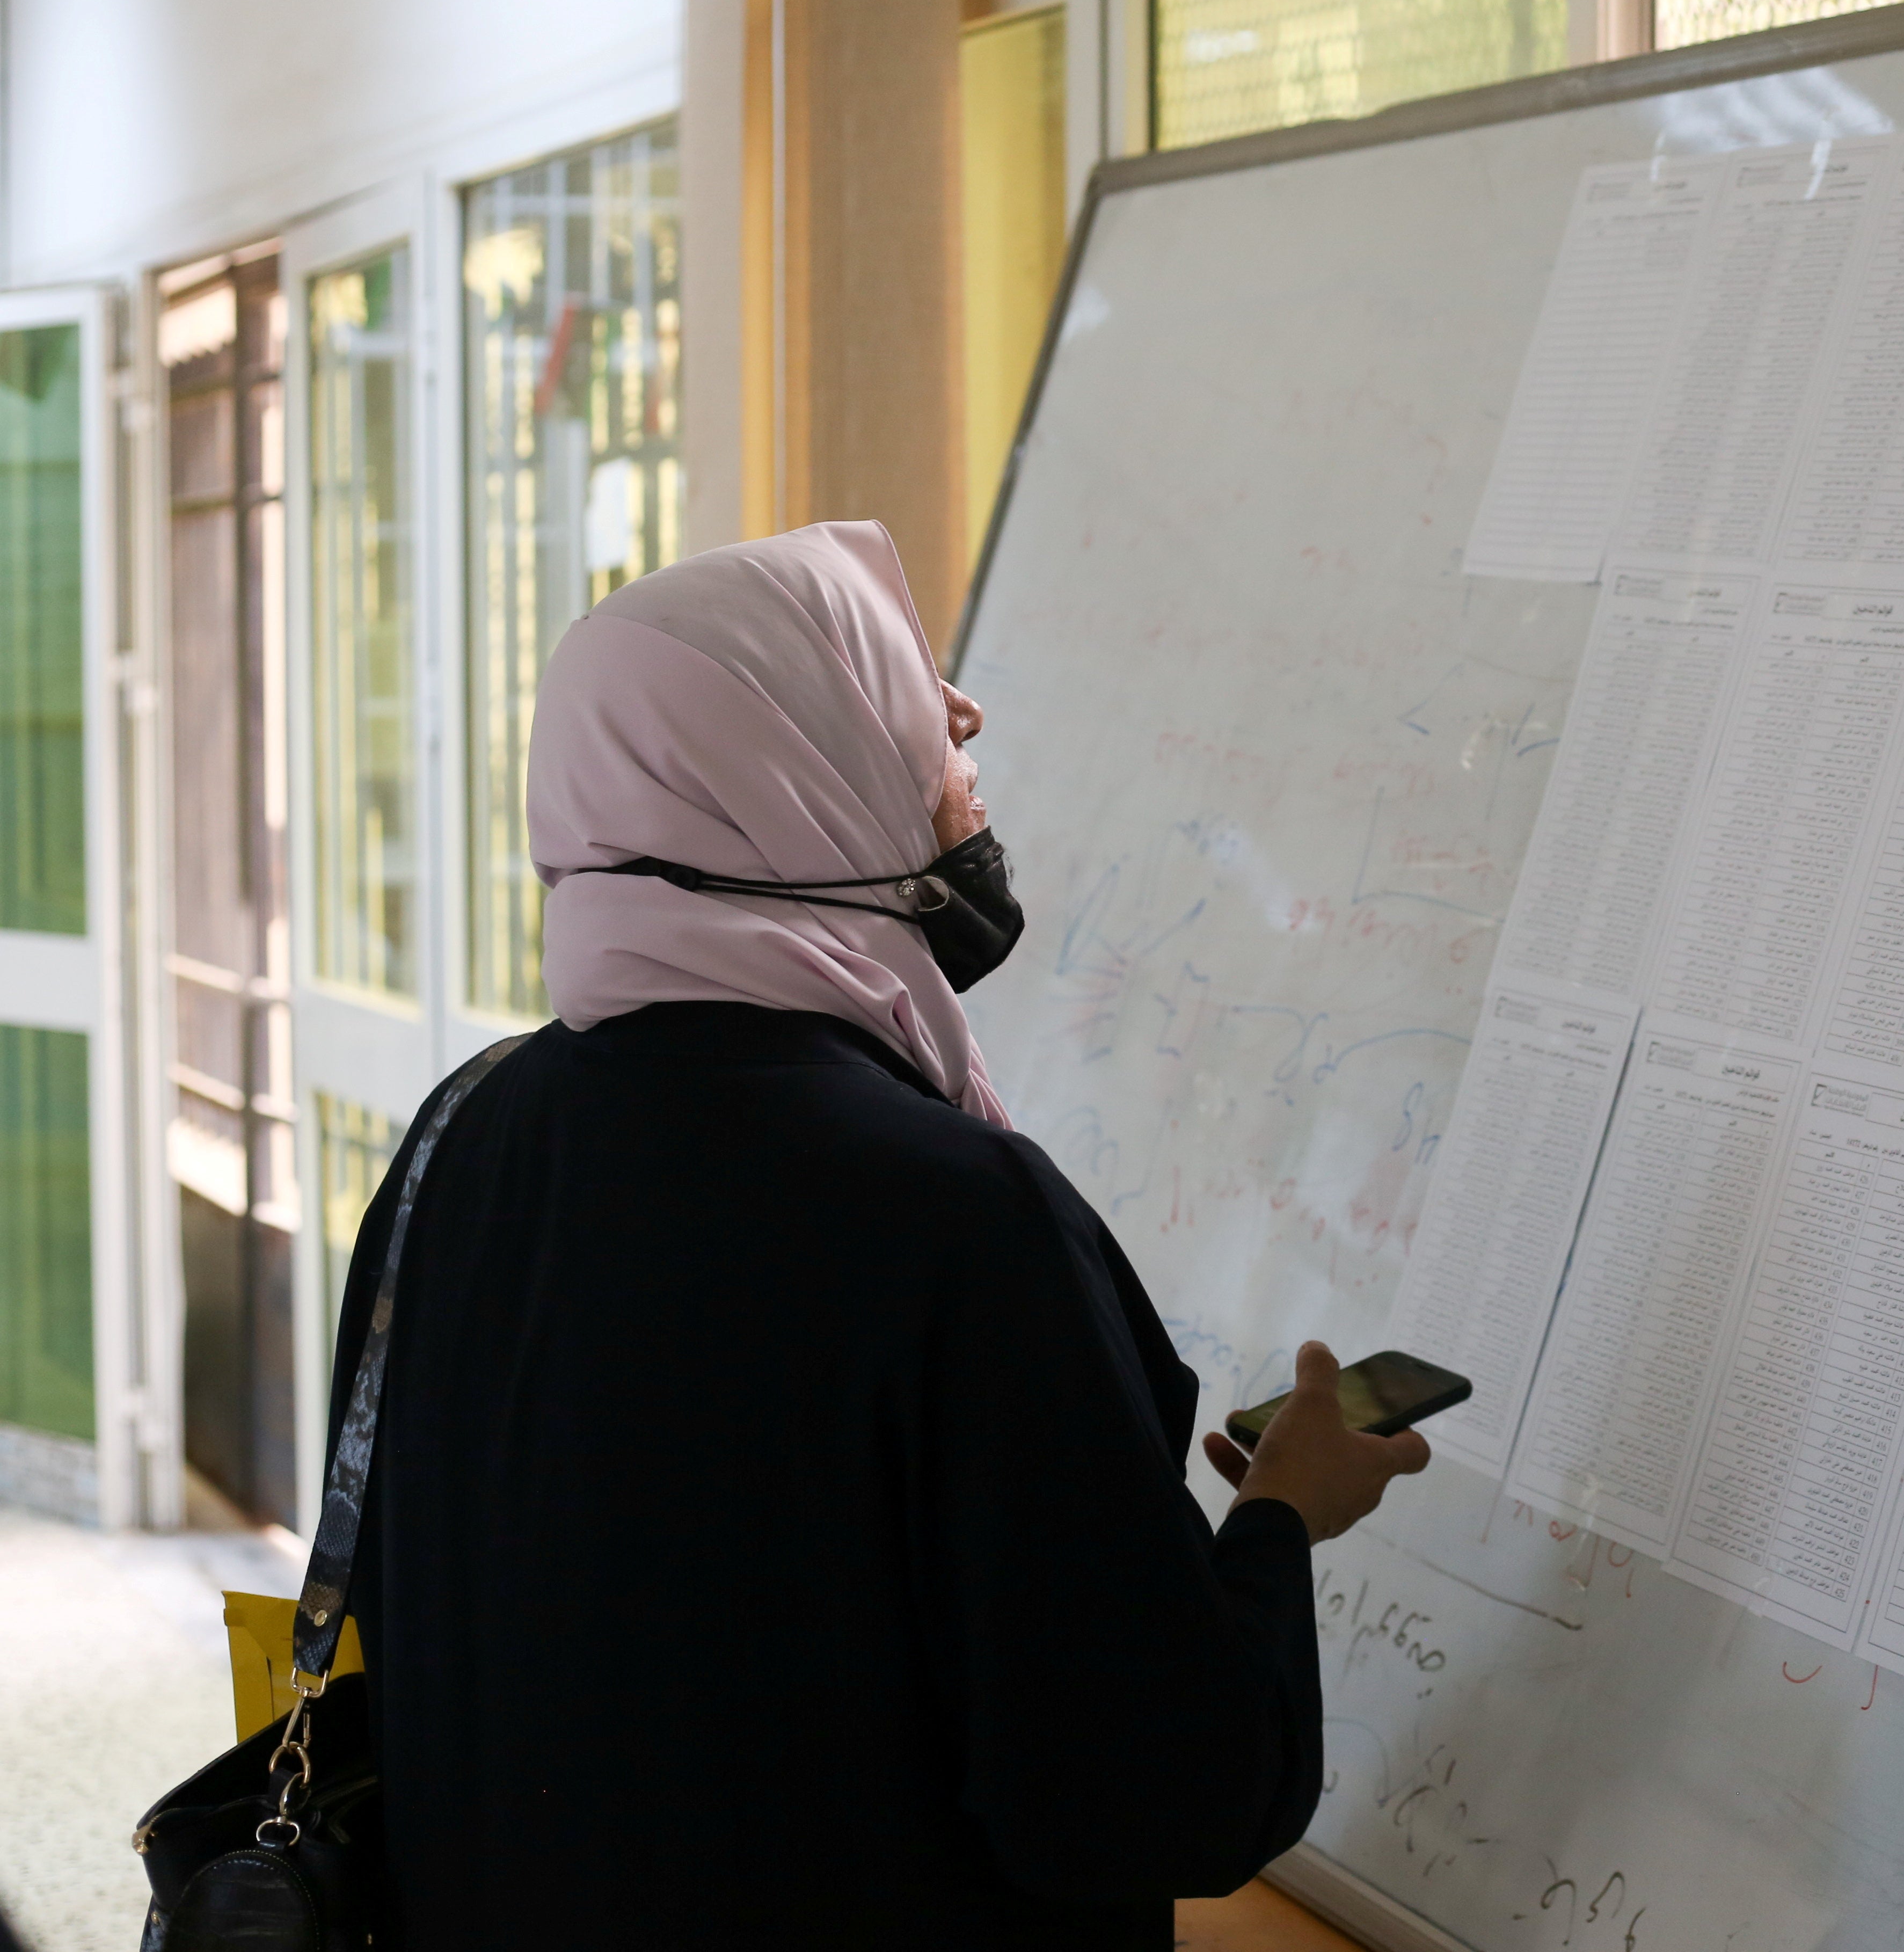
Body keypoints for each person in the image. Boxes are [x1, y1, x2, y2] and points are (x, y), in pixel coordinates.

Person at [324, 521, 1428, 1948]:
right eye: (911, 714)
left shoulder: (456, 1146)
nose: (965, 746)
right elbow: (1159, 1788)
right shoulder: (956, 1222)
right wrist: (1283, 1519)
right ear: (798, 782)